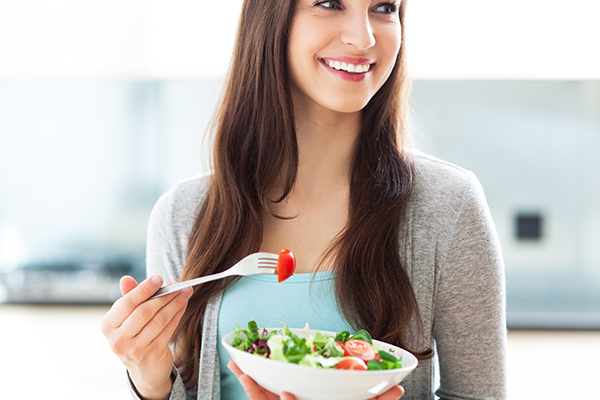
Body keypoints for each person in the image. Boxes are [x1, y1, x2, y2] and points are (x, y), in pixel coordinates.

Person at [101, 0, 507, 399]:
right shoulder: (184, 215)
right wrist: (151, 381)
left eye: (384, 7)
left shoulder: (448, 207)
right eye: (329, 3)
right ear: (270, 18)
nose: (363, 37)